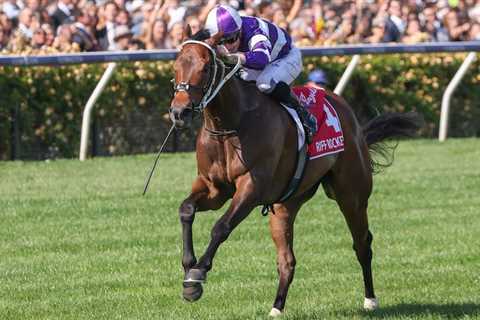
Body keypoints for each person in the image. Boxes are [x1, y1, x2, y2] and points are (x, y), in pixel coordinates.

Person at [204, 4, 317, 143]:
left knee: (265, 83)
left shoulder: (254, 30)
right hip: (263, 58)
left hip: (286, 57)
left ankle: (303, 114)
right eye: (221, 42)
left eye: (231, 39)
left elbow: (261, 60)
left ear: (240, 31)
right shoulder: (224, 31)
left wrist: (230, 57)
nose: (227, 47)